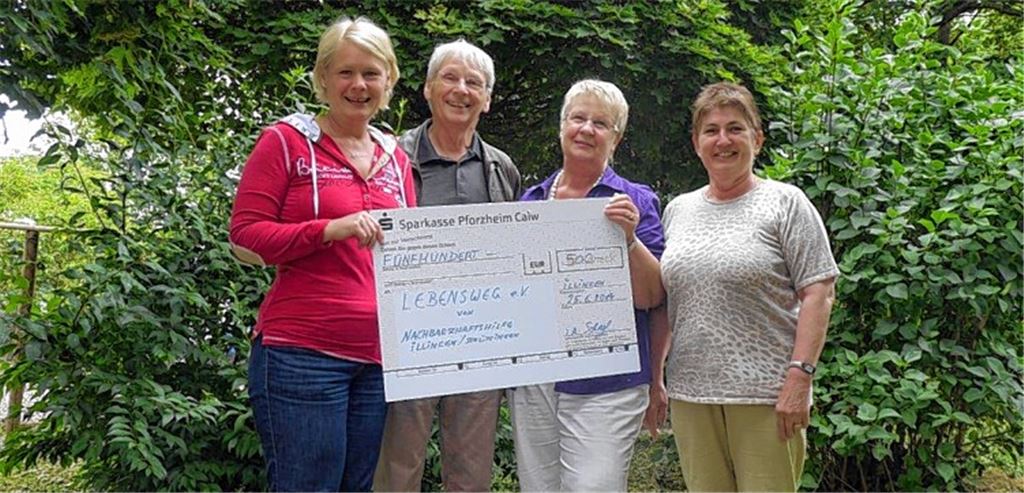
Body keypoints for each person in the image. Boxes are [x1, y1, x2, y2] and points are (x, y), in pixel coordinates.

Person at [228, 16, 416, 492]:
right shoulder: (285, 143)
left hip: (376, 358)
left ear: (388, 80)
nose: (358, 85)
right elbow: (245, 236)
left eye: (371, 73)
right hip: (302, 353)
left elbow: (410, 254)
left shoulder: (396, 157)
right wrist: (328, 230)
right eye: (346, 72)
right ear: (323, 78)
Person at [655, 81, 838, 492]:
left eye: (735, 128)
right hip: (692, 394)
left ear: (756, 139)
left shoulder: (785, 203)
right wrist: (657, 378)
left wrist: (800, 377)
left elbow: (819, 292)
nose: (723, 140)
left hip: (765, 396)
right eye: (711, 130)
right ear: (696, 143)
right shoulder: (678, 210)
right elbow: (669, 302)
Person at [374, 39, 521, 492]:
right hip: (408, 339)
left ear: (488, 99)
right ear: (428, 89)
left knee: (472, 471)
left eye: (474, 83)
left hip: (479, 343)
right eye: (450, 78)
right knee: (397, 465)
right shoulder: (389, 159)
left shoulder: (502, 169)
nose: (461, 90)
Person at [509, 79, 666, 492]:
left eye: (601, 123)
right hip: (537, 378)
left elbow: (653, 297)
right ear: (562, 126)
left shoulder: (635, 202)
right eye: (578, 118)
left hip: (607, 380)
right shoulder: (531, 202)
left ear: (616, 137)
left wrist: (629, 240)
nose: (586, 129)